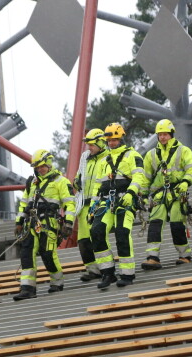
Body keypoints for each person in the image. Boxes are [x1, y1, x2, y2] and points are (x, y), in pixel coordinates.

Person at [90, 122, 147, 289]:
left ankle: (127, 274)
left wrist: (130, 194)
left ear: (121, 138)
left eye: (115, 139)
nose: (111, 143)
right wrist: (93, 205)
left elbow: (139, 177)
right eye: (109, 140)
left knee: (122, 233)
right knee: (97, 231)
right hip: (106, 201)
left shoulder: (133, 155)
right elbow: (97, 185)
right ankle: (107, 272)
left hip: (125, 200)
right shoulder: (103, 161)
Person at [13, 149, 75, 301]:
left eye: (43, 166)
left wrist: (68, 223)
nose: (40, 169)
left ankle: (57, 282)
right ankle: (27, 288)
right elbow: (24, 203)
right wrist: (19, 221)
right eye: (37, 167)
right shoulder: (32, 183)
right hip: (31, 224)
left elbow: (70, 204)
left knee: (47, 253)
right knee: (26, 254)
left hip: (49, 224)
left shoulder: (61, 181)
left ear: (49, 164)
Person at [141, 119, 192, 270]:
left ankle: (184, 255)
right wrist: (141, 195)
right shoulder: (151, 155)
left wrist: (186, 182)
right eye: (160, 134)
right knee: (155, 224)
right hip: (159, 196)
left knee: (177, 224)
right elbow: (145, 178)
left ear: (172, 134)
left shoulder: (183, 151)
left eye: (165, 134)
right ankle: (152, 258)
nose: (162, 137)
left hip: (177, 193)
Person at [73, 129, 109, 282]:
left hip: (99, 203)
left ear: (101, 142)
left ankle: (106, 268)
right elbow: (79, 175)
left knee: (98, 236)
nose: (89, 147)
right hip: (84, 204)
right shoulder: (85, 158)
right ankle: (93, 270)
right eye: (88, 144)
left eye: (92, 144)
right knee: (83, 241)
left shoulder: (108, 158)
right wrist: (76, 180)